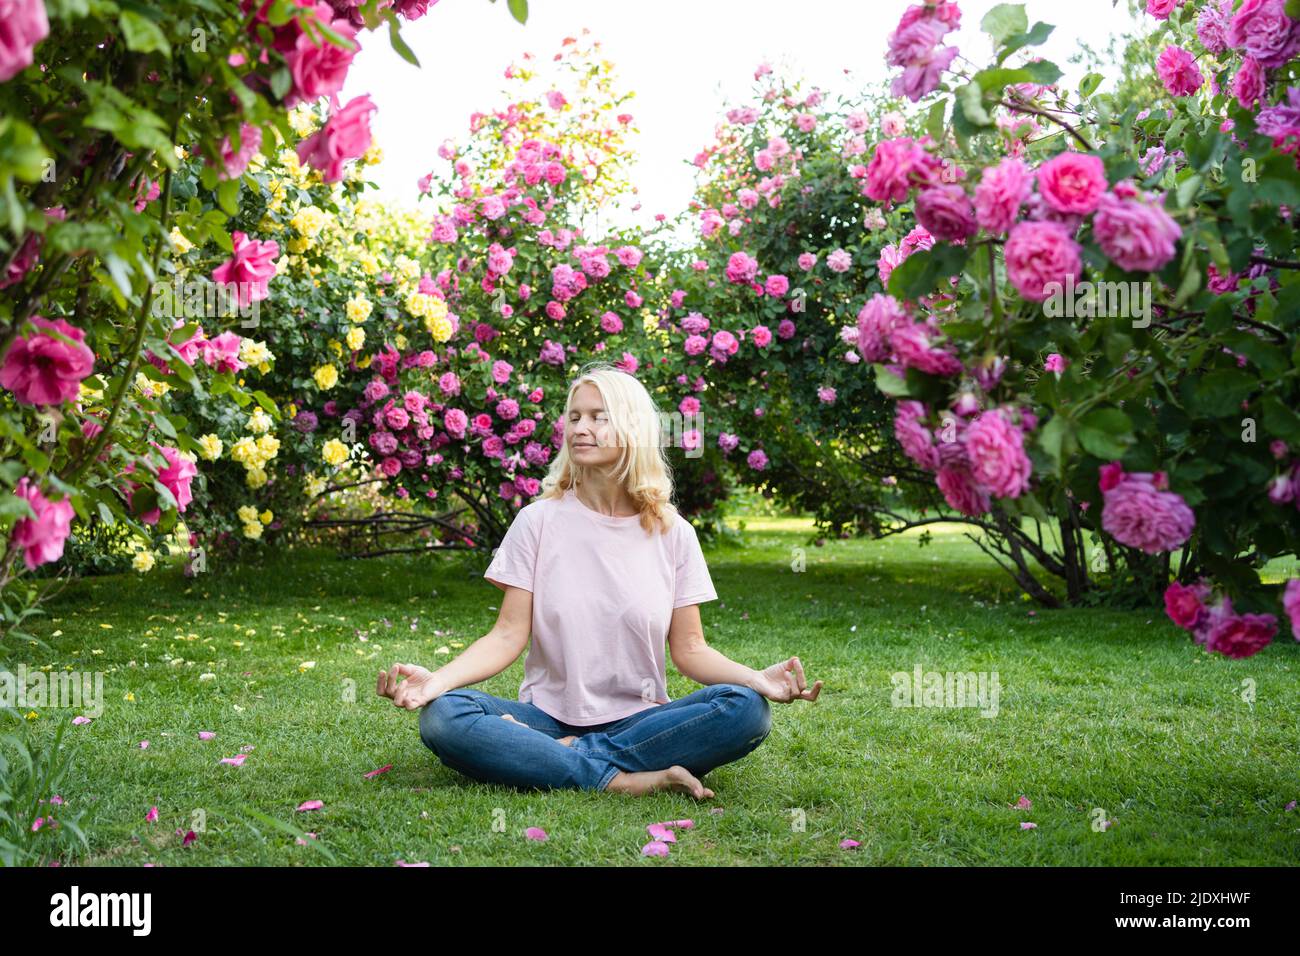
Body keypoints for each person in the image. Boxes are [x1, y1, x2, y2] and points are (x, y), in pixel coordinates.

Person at [377, 361, 822, 799]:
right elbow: (507, 635)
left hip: (642, 721)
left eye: (597, 417)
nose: (580, 428)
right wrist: (436, 683)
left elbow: (691, 651)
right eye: (573, 417)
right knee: (445, 716)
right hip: (546, 717)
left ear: (632, 428)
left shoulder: (673, 534)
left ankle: (564, 757)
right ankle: (617, 777)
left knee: (745, 709)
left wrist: (756, 679)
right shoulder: (538, 521)